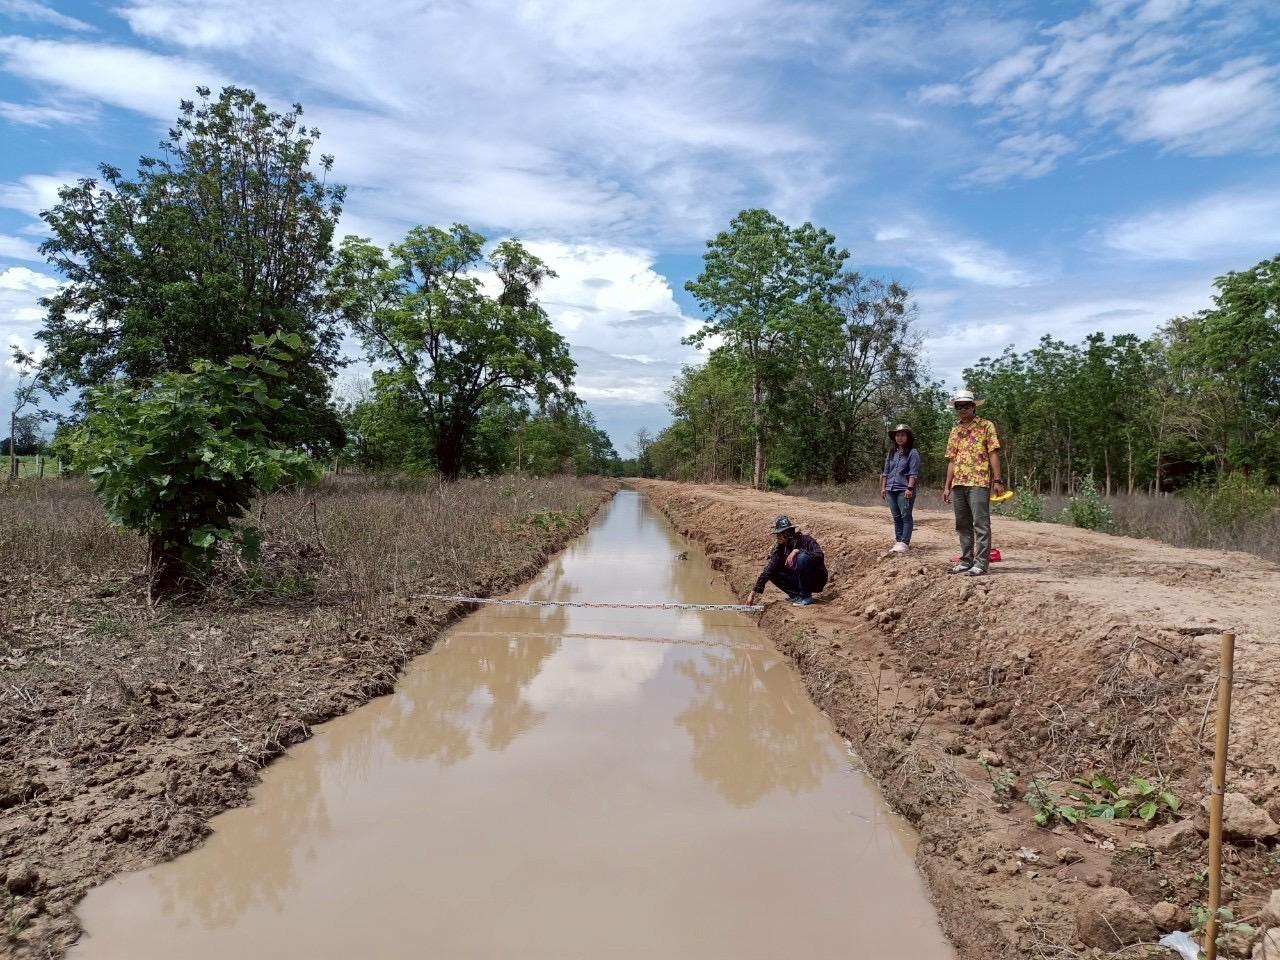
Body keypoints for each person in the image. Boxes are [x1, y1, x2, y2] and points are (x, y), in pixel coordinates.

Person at [942, 389, 1004, 577]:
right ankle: (966, 560)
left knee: (980, 523)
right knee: (962, 523)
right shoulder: (955, 431)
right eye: (958, 406)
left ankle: (981, 563)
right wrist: (947, 486)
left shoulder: (986, 426)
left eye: (966, 405)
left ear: (973, 406)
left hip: (978, 481)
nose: (962, 409)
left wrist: (998, 479)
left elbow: (993, 453)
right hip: (958, 483)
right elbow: (952, 459)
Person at [744, 515, 828, 607]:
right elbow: (768, 570)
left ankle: (806, 596)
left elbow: (819, 555)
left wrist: (797, 551)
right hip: (797, 578)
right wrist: (752, 593)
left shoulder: (806, 540)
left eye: (780, 534)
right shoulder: (781, 548)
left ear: (787, 533)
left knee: (802, 558)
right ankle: (796, 596)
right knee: (772, 571)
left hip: (816, 579)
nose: (777, 537)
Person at [879, 423, 920, 554]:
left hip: (904, 488)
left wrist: (910, 488)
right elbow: (885, 472)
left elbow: (913, 473)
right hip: (891, 488)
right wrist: (883, 487)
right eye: (897, 435)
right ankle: (898, 540)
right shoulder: (891, 453)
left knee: (905, 515)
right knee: (896, 516)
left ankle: (905, 542)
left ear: (908, 437)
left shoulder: (913, 453)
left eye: (902, 435)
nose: (899, 438)